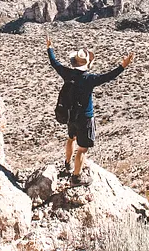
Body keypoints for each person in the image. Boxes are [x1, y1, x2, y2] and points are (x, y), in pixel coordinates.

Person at [46, 35, 134, 186]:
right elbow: (109, 76)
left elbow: (54, 63)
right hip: (85, 118)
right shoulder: (90, 79)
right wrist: (123, 65)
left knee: (70, 138)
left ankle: (67, 165)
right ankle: (76, 177)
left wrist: (49, 48)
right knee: (82, 149)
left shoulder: (67, 73)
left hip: (71, 116)